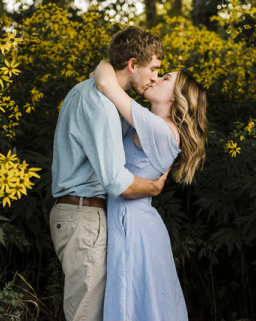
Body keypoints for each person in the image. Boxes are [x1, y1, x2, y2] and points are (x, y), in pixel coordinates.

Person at [49, 26, 169, 321]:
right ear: (132, 65)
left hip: (78, 215)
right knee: (86, 315)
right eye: (154, 69)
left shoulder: (93, 93)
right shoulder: (101, 105)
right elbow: (116, 181)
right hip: (84, 216)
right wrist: (153, 188)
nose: (155, 77)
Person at [93, 59, 208, 321]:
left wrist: (106, 63)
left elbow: (103, 80)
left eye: (165, 78)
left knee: (131, 303)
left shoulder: (161, 130)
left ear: (176, 98)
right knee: (143, 304)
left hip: (132, 227)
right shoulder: (149, 124)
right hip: (135, 222)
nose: (155, 79)